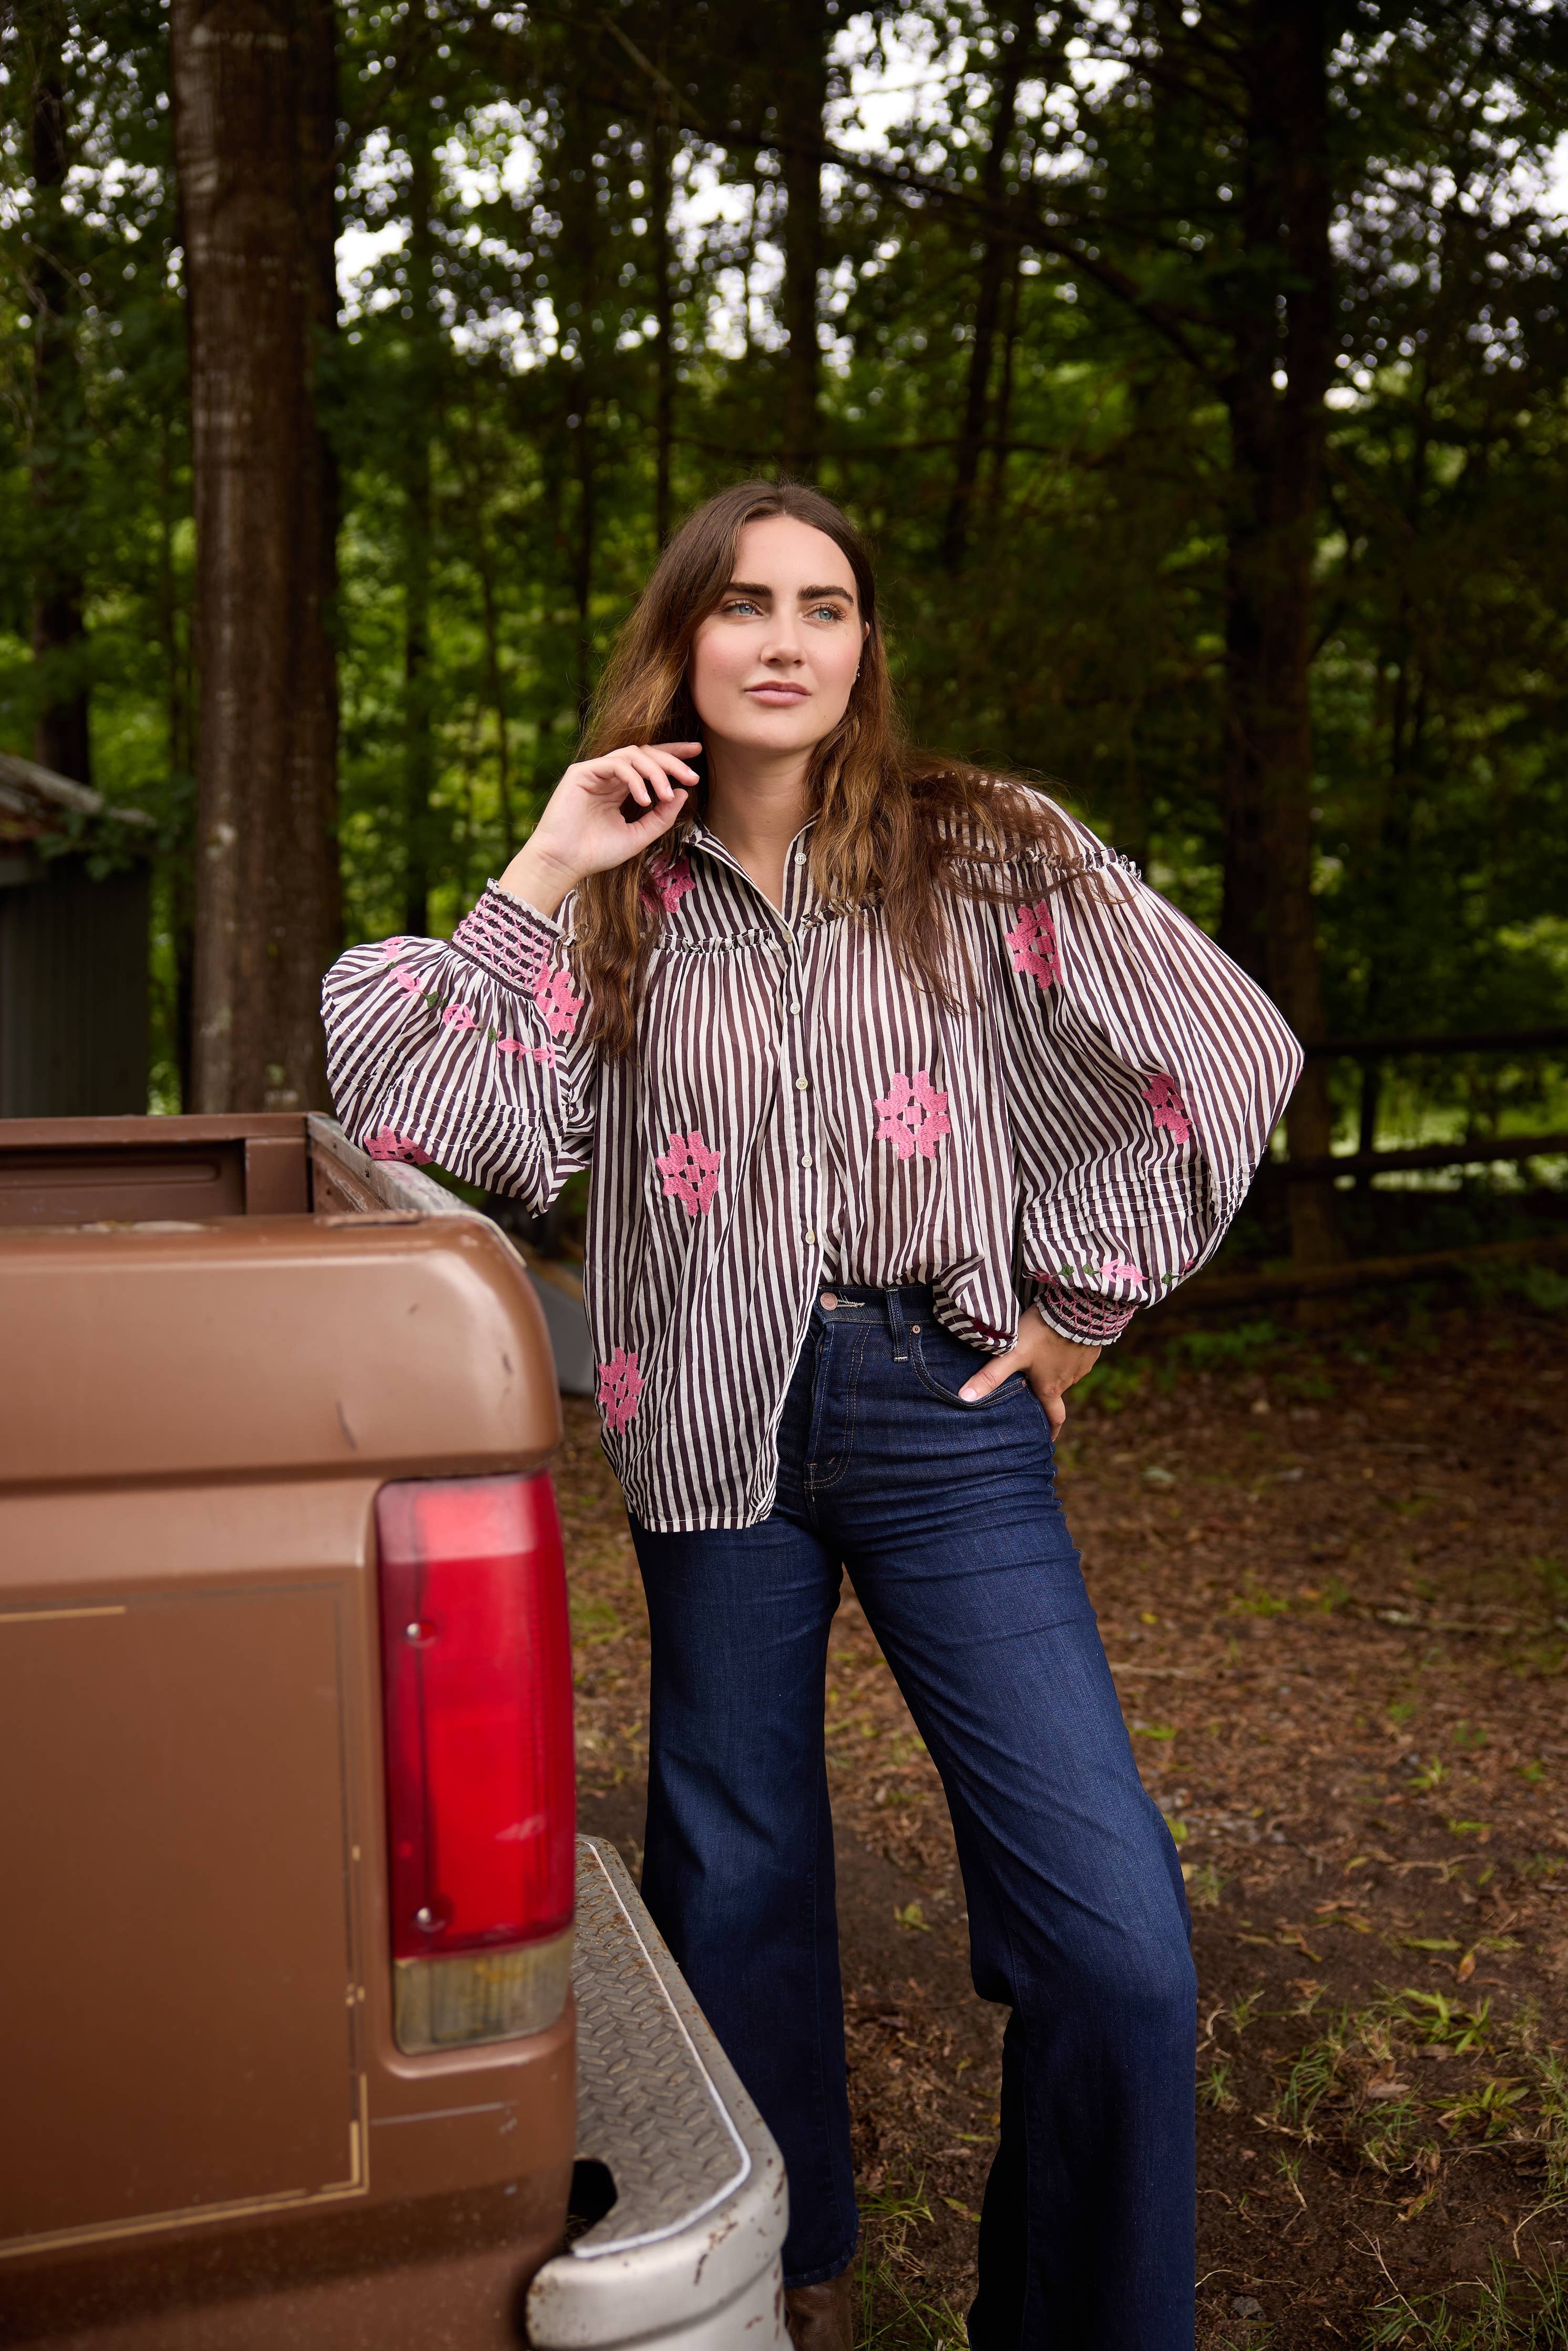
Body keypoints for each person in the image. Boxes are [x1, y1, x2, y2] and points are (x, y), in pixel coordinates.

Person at [323, 479, 1301, 2350]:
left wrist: (1081, 1310)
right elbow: (431, 1122)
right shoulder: (612, 888)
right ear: (682, 638)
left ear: (865, 647)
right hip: (705, 1422)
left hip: (945, 1411)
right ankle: (780, 2288)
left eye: (827, 607)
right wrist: (544, 866)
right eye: (748, 604)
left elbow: (1225, 1043)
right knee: (741, 1878)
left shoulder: (981, 844)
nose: (788, 640)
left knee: (1117, 1941)